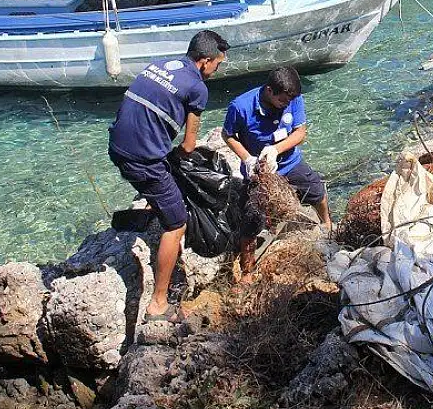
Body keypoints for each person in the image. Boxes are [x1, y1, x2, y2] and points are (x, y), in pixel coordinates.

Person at [107, 30, 230, 324]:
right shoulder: (198, 87)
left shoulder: (159, 65)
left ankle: (152, 204)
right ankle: (158, 304)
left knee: (165, 179)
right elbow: (188, 146)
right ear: (204, 61)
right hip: (143, 162)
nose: (217, 70)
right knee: (176, 223)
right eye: (217, 64)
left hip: (117, 148)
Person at [221, 67, 331, 278]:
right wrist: (247, 158)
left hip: (290, 162)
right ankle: (247, 272)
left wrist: (275, 150)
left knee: (316, 189)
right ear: (269, 91)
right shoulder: (241, 106)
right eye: (283, 102)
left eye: (290, 101)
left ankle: (327, 224)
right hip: (258, 173)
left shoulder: (293, 97)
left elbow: (300, 132)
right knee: (251, 220)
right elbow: (228, 135)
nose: (287, 105)